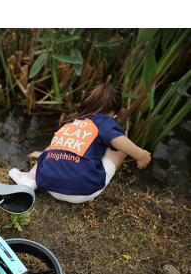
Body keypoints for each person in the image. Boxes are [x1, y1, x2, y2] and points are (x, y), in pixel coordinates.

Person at [9, 83, 152, 203]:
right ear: (114, 113)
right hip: (80, 192)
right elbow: (119, 141)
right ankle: (91, 187)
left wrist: (42, 154)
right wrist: (142, 155)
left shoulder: (71, 124)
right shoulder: (105, 122)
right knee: (120, 143)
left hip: (49, 185)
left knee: (57, 149)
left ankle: (30, 179)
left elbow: (54, 147)